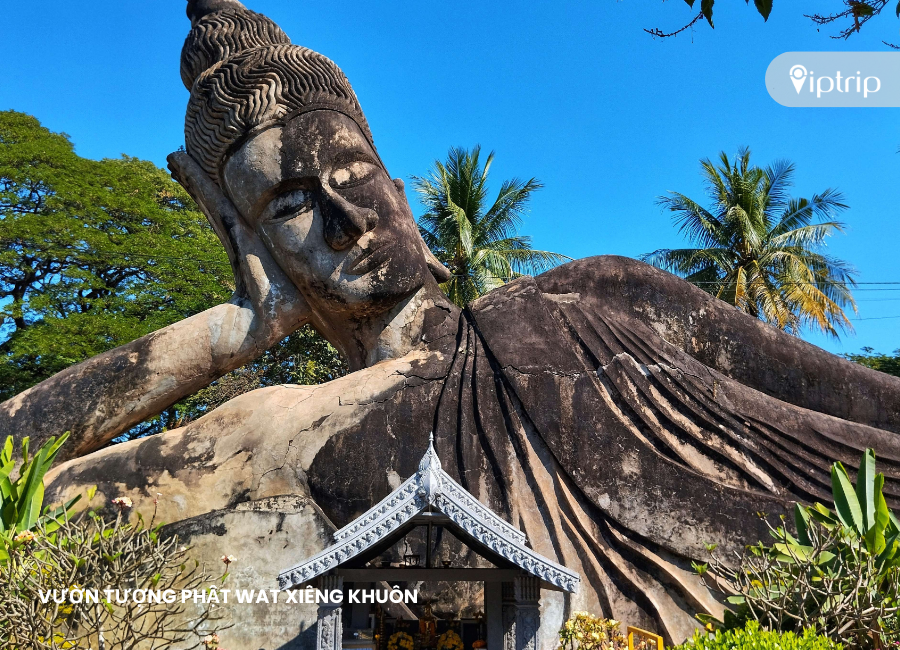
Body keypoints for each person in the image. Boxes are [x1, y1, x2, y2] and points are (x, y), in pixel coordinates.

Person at [5, 0, 898, 645]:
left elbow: (868, 412)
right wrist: (235, 329)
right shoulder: (271, 425)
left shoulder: (587, 300)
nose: (346, 220)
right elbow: (20, 485)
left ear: (404, 201)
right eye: (290, 208)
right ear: (261, 249)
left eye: (353, 175)